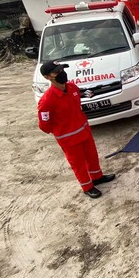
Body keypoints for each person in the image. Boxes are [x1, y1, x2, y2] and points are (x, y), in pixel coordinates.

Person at [37, 61, 115, 199]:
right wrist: (61, 130)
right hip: (68, 138)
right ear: (48, 77)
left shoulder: (72, 87)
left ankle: (97, 177)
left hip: (84, 130)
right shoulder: (47, 101)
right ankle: (87, 186)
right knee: (78, 163)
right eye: (57, 72)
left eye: (62, 69)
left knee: (92, 156)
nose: (62, 73)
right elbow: (44, 125)